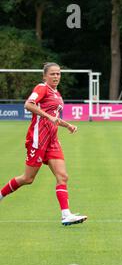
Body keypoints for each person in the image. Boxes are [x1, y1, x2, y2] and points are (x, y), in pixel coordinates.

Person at [0, 62, 87, 226]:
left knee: (63, 176)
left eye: (58, 74)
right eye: (53, 74)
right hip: (38, 140)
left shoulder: (57, 94)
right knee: (27, 178)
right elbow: (28, 104)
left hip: (52, 141)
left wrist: (67, 125)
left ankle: (66, 215)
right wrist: (48, 117)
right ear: (45, 76)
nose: (56, 76)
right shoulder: (42, 88)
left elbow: (53, 116)